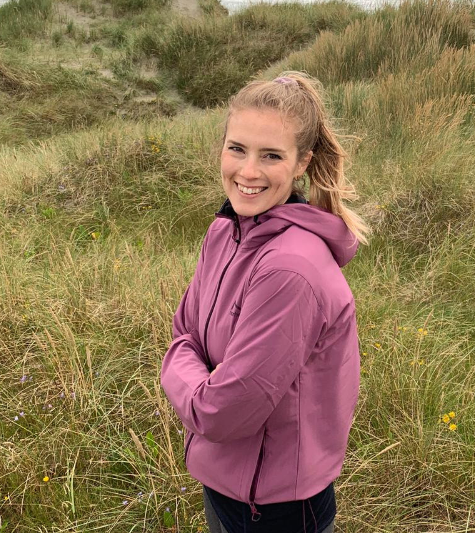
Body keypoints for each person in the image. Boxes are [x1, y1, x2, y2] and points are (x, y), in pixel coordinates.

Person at [160, 71, 370, 533]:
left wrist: (180, 371)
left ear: (301, 163)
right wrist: (191, 365)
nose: (248, 172)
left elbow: (220, 412)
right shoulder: (225, 230)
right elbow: (184, 334)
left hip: (272, 506)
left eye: (271, 155)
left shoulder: (289, 270)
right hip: (224, 478)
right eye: (237, 148)